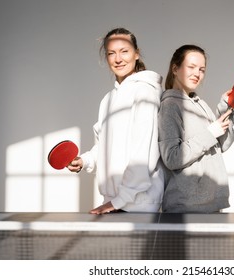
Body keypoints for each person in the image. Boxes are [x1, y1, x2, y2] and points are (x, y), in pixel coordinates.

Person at [68, 28, 165, 214]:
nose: (118, 59)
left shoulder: (146, 92)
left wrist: (119, 201)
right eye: (111, 53)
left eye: (124, 51)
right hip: (113, 201)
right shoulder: (108, 99)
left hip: (139, 202)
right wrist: (85, 161)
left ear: (136, 54)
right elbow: (104, 146)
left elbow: (144, 152)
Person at [158, 44, 234, 213]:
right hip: (187, 207)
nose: (197, 74)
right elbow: (172, 158)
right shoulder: (170, 105)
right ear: (175, 68)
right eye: (191, 67)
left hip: (212, 202)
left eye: (201, 69)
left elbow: (222, 145)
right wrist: (210, 133)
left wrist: (225, 109)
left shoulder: (201, 105)